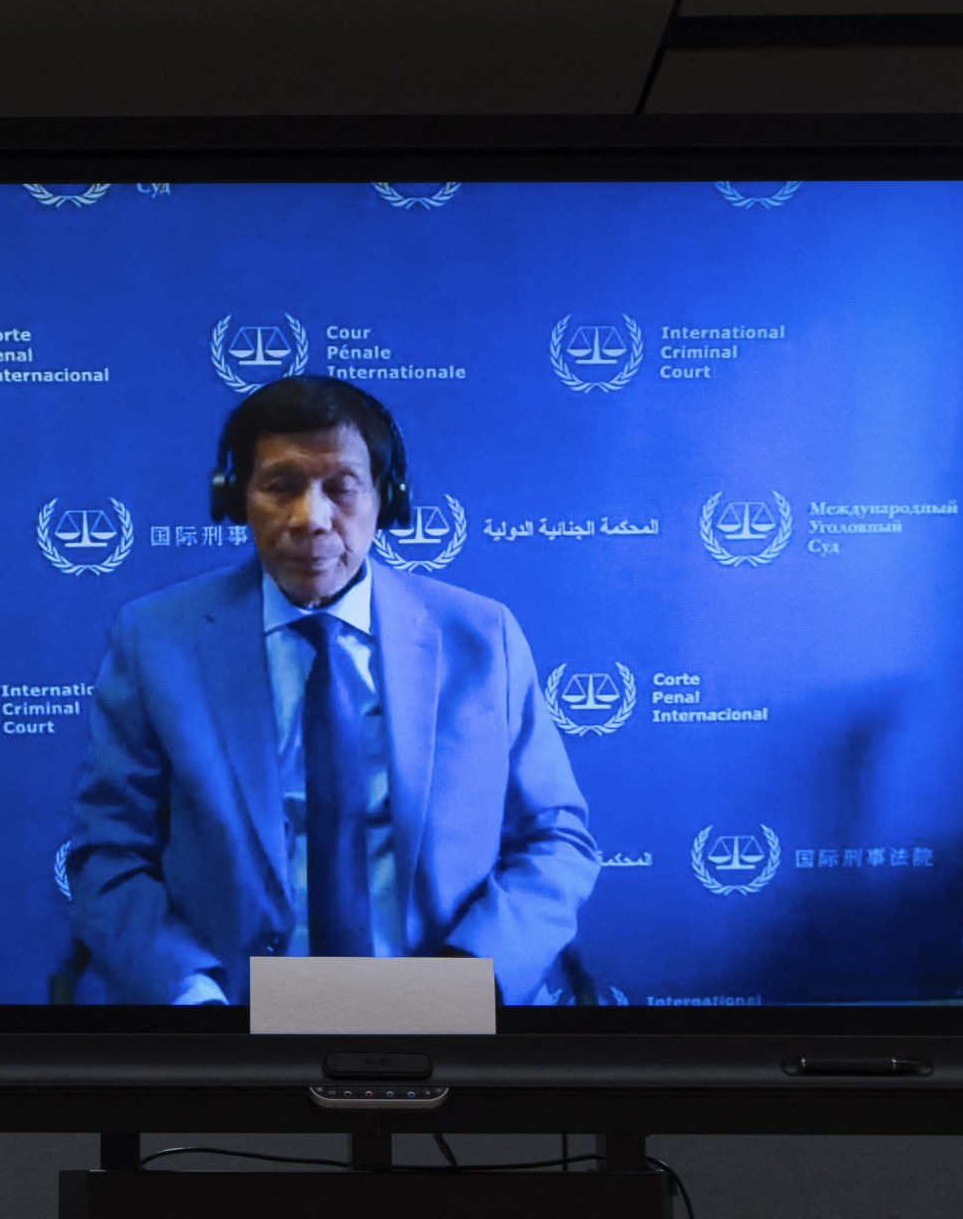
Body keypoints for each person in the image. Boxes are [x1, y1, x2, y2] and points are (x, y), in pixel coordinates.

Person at [67, 376, 598, 1005]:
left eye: (341, 488)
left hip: (444, 1003)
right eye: (280, 487)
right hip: (234, 1010)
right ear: (235, 497)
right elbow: (110, 855)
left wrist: (471, 979)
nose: (310, 520)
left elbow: (555, 839)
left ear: (386, 499)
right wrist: (191, 994)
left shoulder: (482, 638)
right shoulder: (157, 640)